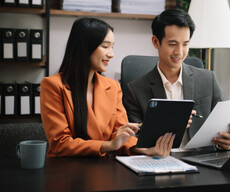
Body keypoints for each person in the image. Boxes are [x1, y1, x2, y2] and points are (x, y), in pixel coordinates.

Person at [40, 17, 174, 157]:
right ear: (85, 47)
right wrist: (109, 145)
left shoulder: (113, 86)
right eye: (105, 46)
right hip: (67, 170)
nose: (111, 54)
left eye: (112, 47)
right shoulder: (53, 86)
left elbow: (120, 134)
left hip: (105, 168)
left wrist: (141, 149)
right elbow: (60, 143)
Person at [123, 9, 230, 151]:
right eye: (172, 44)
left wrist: (226, 143)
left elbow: (221, 131)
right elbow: (133, 142)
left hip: (202, 164)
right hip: (159, 163)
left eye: (185, 44)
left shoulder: (208, 79)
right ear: (156, 42)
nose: (179, 52)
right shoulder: (136, 89)